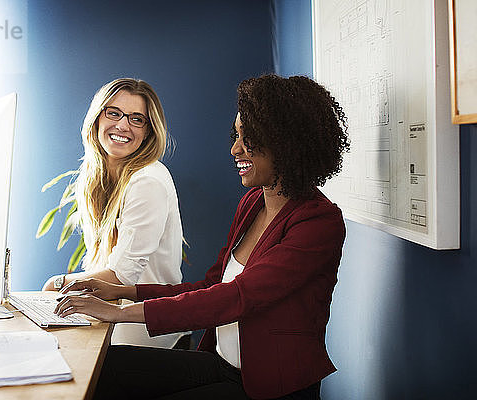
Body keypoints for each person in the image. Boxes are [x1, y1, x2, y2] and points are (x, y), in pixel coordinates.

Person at [55, 74, 350, 399]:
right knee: (101, 367)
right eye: (236, 135)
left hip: (267, 386)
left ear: (286, 143)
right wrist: (122, 291)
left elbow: (237, 297)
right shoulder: (253, 202)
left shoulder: (318, 221)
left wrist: (121, 312)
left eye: (248, 138)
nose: (235, 148)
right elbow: (213, 286)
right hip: (221, 365)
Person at [43, 78, 187, 349]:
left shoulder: (147, 181)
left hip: (145, 323)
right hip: (112, 308)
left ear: (148, 131)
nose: (122, 125)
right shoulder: (96, 176)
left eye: (136, 119)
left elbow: (121, 276)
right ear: (97, 119)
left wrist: (57, 283)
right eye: (114, 113)